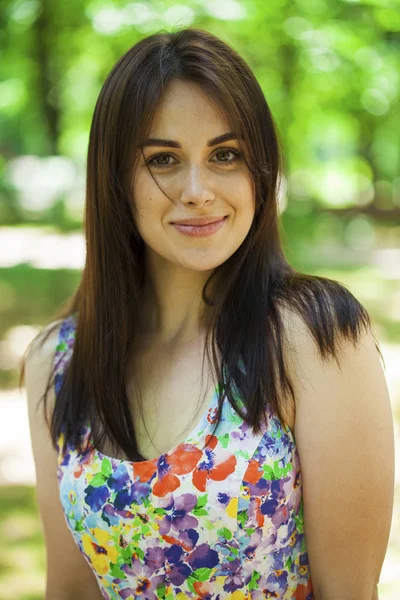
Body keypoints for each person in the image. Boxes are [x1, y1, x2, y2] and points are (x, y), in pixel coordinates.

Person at [21, 26, 394, 600]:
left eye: (225, 154)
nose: (198, 190)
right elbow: (69, 588)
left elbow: (351, 591)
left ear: (260, 171)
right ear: (116, 181)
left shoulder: (311, 337)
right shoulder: (59, 362)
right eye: (164, 159)